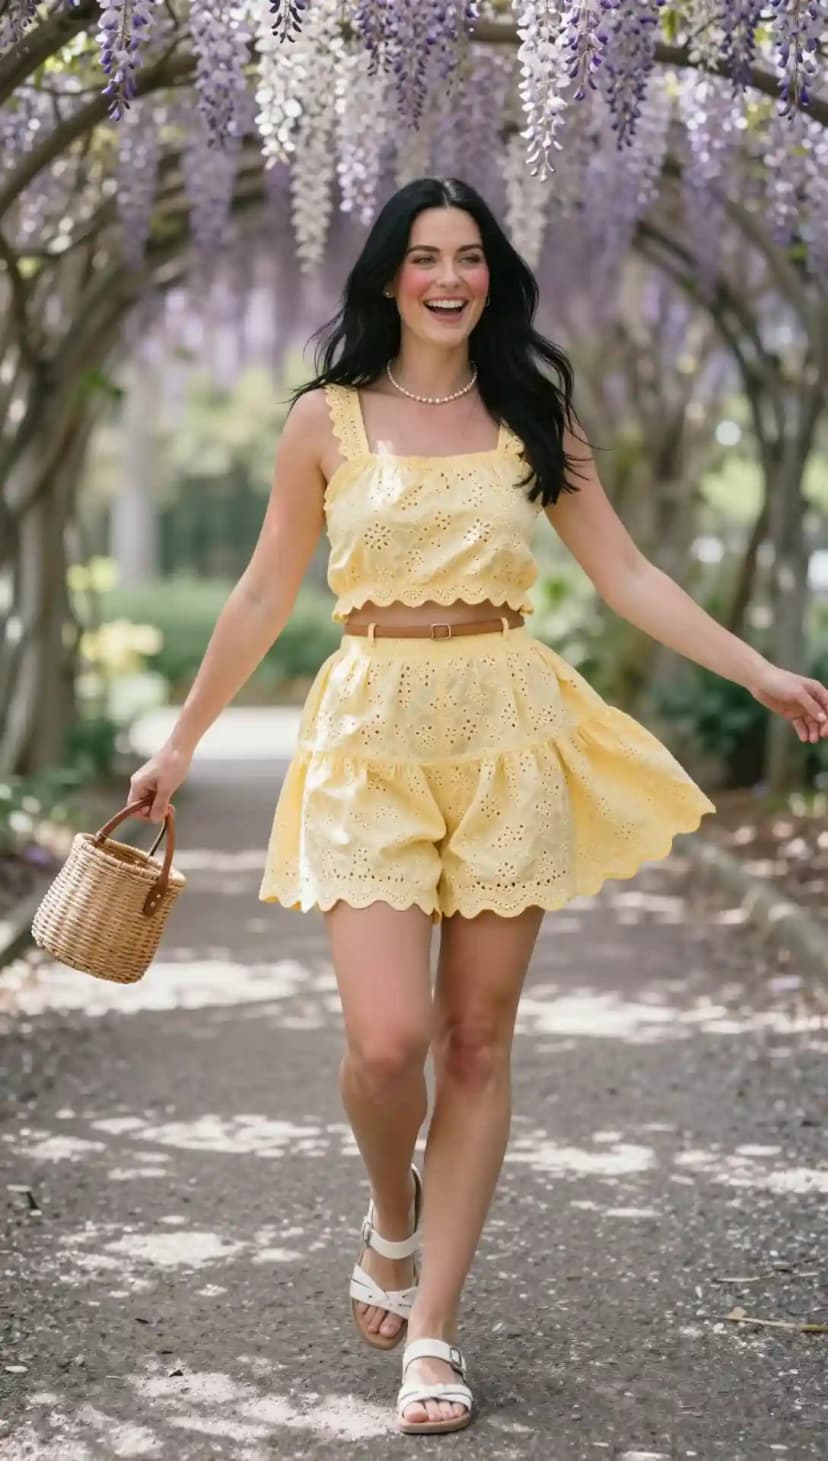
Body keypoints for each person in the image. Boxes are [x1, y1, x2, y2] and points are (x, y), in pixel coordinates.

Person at [128, 176, 828, 1437]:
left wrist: (761, 671)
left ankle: (435, 1332)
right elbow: (257, 595)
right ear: (387, 275)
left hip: (508, 722)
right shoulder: (324, 422)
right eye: (422, 256)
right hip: (368, 730)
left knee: (476, 1042)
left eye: (469, 257)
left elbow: (626, 574)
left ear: (491, 275)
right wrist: (180, 745)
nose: (447, 277)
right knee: (389, 1042)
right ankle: (389, 1218)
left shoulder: (533, 416)